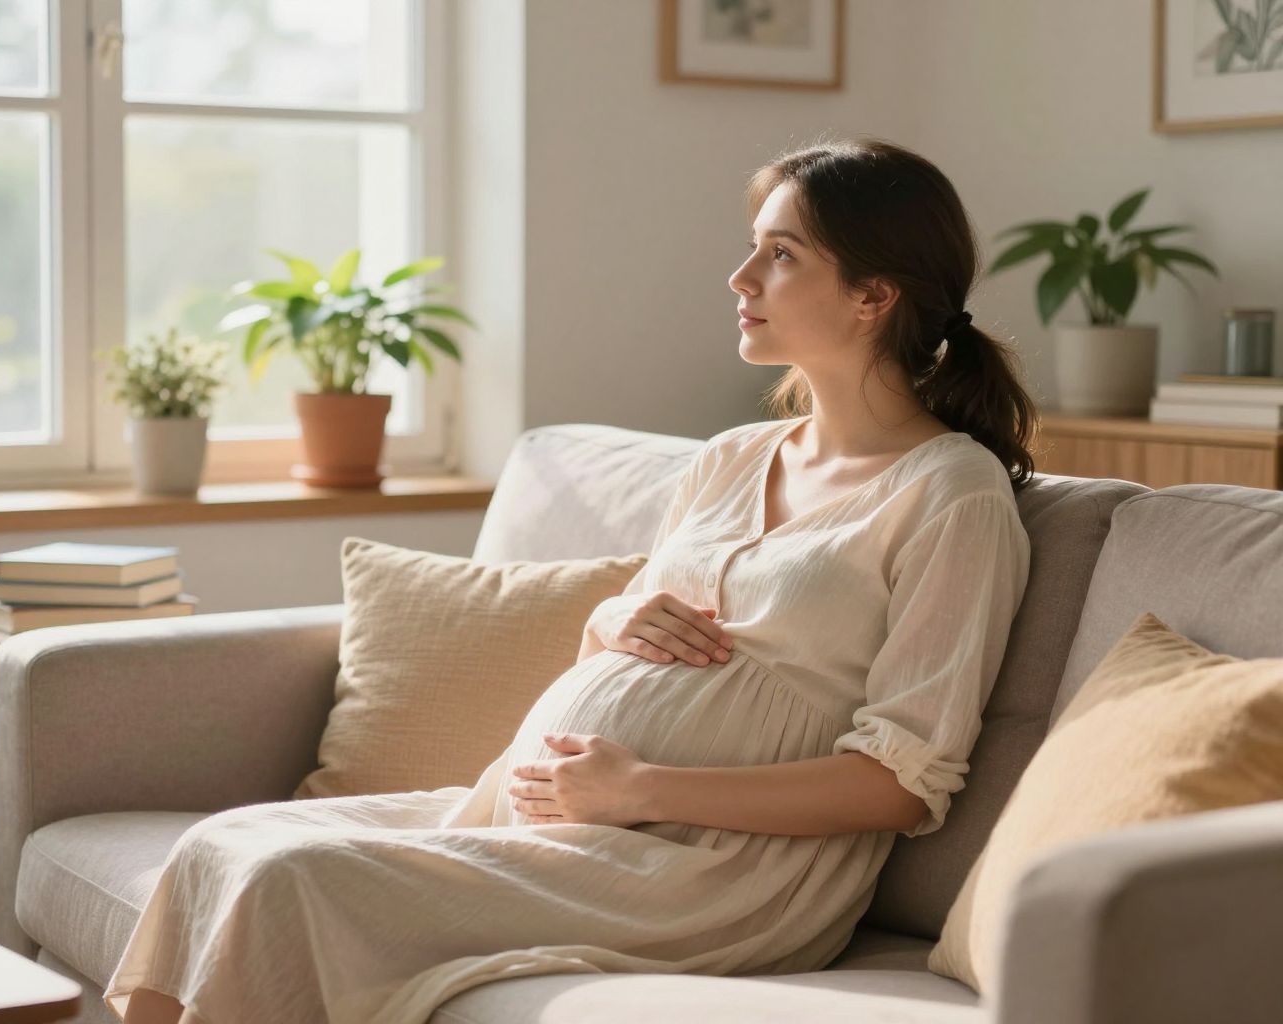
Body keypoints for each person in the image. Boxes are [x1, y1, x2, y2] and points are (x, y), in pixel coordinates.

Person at [109, 135, 1037, 1024]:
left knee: (285, 881)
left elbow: (903, 784)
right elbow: (641, 638)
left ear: (873, 294)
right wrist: (613, 625)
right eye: (752, 249)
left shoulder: (954, 492)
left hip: (716, 870)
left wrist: (645, 789)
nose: (740, 279)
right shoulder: (732, 458)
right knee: (220, 846)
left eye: (780, 254)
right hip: (568, 819)